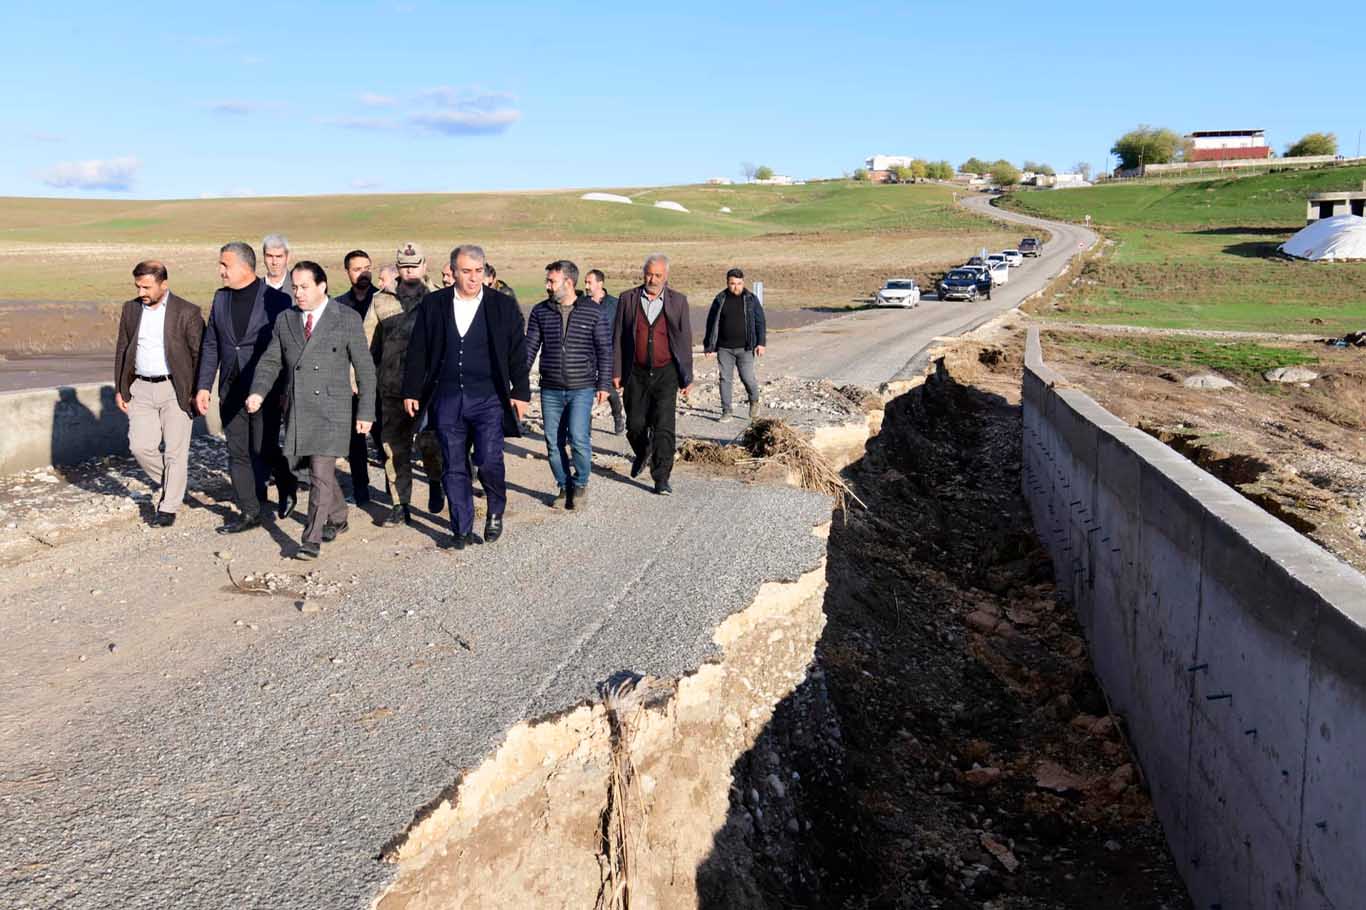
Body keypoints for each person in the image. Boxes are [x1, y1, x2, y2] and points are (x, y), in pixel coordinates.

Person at [402, 244, 530, 550]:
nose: (473, 278)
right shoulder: (434, 304)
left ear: (485, 271)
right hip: (446, 398)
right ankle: (460, 527)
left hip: (488, 398)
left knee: (487, 459)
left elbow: (516, 352)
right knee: (454, 464)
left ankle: (495, 509)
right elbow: (418, 348)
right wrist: (411, 389)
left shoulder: (502, 305)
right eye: (466, 272)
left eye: (478, 271)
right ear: (453, 272)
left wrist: (521, 392)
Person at [246, 261, 376, 559]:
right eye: (295, 287)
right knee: (299, 467)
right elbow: (270, 361)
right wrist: (258, 391)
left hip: (332, 410)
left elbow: (366, 370)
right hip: (298, 408)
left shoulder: (346, 318)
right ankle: (340, 515)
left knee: (319, 473)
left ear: (322, 286)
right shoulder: (285, 320)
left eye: (305, 287)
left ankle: (311, 539)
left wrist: (366, 412)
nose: (299, 293)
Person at [195, 242, 298, 534]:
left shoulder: (276, 301)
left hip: (265, 389)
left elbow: (287, 349)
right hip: (230, 388)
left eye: (225, 265)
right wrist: (204, 386)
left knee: (262, 448)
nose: (220, 271)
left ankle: (286, 479)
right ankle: (250, 512)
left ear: (244, 266)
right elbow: (212, 344)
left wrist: (285, 391)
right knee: (237, 451)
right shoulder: (220, 298)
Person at [113, 260, 205, 527]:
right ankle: (174, 484)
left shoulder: (187, 312)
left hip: (176, 388)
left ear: (163, 284)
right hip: (139, 388)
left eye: (147, 287)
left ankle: (168, 507)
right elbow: (122, 348)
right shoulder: (130, 309)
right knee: (140, 446)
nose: (142, 292)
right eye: (138, 286)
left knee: (176, 452)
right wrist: (120, 388)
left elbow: (201, 354)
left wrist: (199, 389)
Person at [364, 242, 444, 526]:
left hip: (429, 391)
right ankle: (401, 505)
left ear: (425, 265)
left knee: (430, 444)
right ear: (397, 268)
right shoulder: (380, 300)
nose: (409, 271)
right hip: (392, 389)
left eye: (414, 265)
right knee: (393, 449)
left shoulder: (440, 298)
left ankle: (436, 481)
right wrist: (358, 381)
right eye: (404, 266)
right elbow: (366, 346)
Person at [525, 260, 611, 509]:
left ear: (569, 283)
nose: (547, 286)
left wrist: (604, 383)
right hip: (550, 388)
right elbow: (530, 349)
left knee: (578, 438)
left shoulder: (593, 311)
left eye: (552, 281)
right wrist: (517, 382)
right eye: (548, 281)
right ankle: (564, 486)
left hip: (581, 387)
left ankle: (581, 483)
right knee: (553, 443)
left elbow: (604, 350)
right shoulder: (541, 312)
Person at [612, 253, 692, 496]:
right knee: (635, 424)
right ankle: (643, 450)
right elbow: (617, 337)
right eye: (649, 274)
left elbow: (685, 339)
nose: (653, 279)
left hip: (666, 372)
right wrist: (616, 370)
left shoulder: (678, 301)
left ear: (666, 276)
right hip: (635, 372)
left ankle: (662, 477)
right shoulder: (627, 299)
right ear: (643, 273)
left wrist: (686, 376)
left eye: (658, 275)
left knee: (664, 426)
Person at [334, 249, 377, 505]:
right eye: (357, 268)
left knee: (385, 439)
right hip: (351, 384)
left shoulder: (382, 300)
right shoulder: (338, 306)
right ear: (347, 272)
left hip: (380, 380)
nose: (363, 273)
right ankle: (361, 489)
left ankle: (395, 496)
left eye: (367, 267)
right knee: (355, 441)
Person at [702, 267, 766, 420]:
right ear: (727, 283)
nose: (736, 287)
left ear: (743, 283)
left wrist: (761, 343)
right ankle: (726, 411)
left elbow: (760, 322)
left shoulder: (751, 299)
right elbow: (711, 323)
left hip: (745, 348)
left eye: (739, 283)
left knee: (748, 378)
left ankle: (754, 400)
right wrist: (708, 346)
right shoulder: (720, 299)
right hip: (724, 348)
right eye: (732, 283)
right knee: (725, 378)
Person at [584, 268, 624, 435]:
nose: (586, 286)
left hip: (607, 354)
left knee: (610, 391)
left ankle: (617, 416)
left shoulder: (614, 305)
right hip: (586, 355)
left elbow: (620, 332)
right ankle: (585, 428)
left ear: (600, 284)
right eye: (585, 282)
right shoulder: (581, 302)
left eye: (589, 282)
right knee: (584, 392)